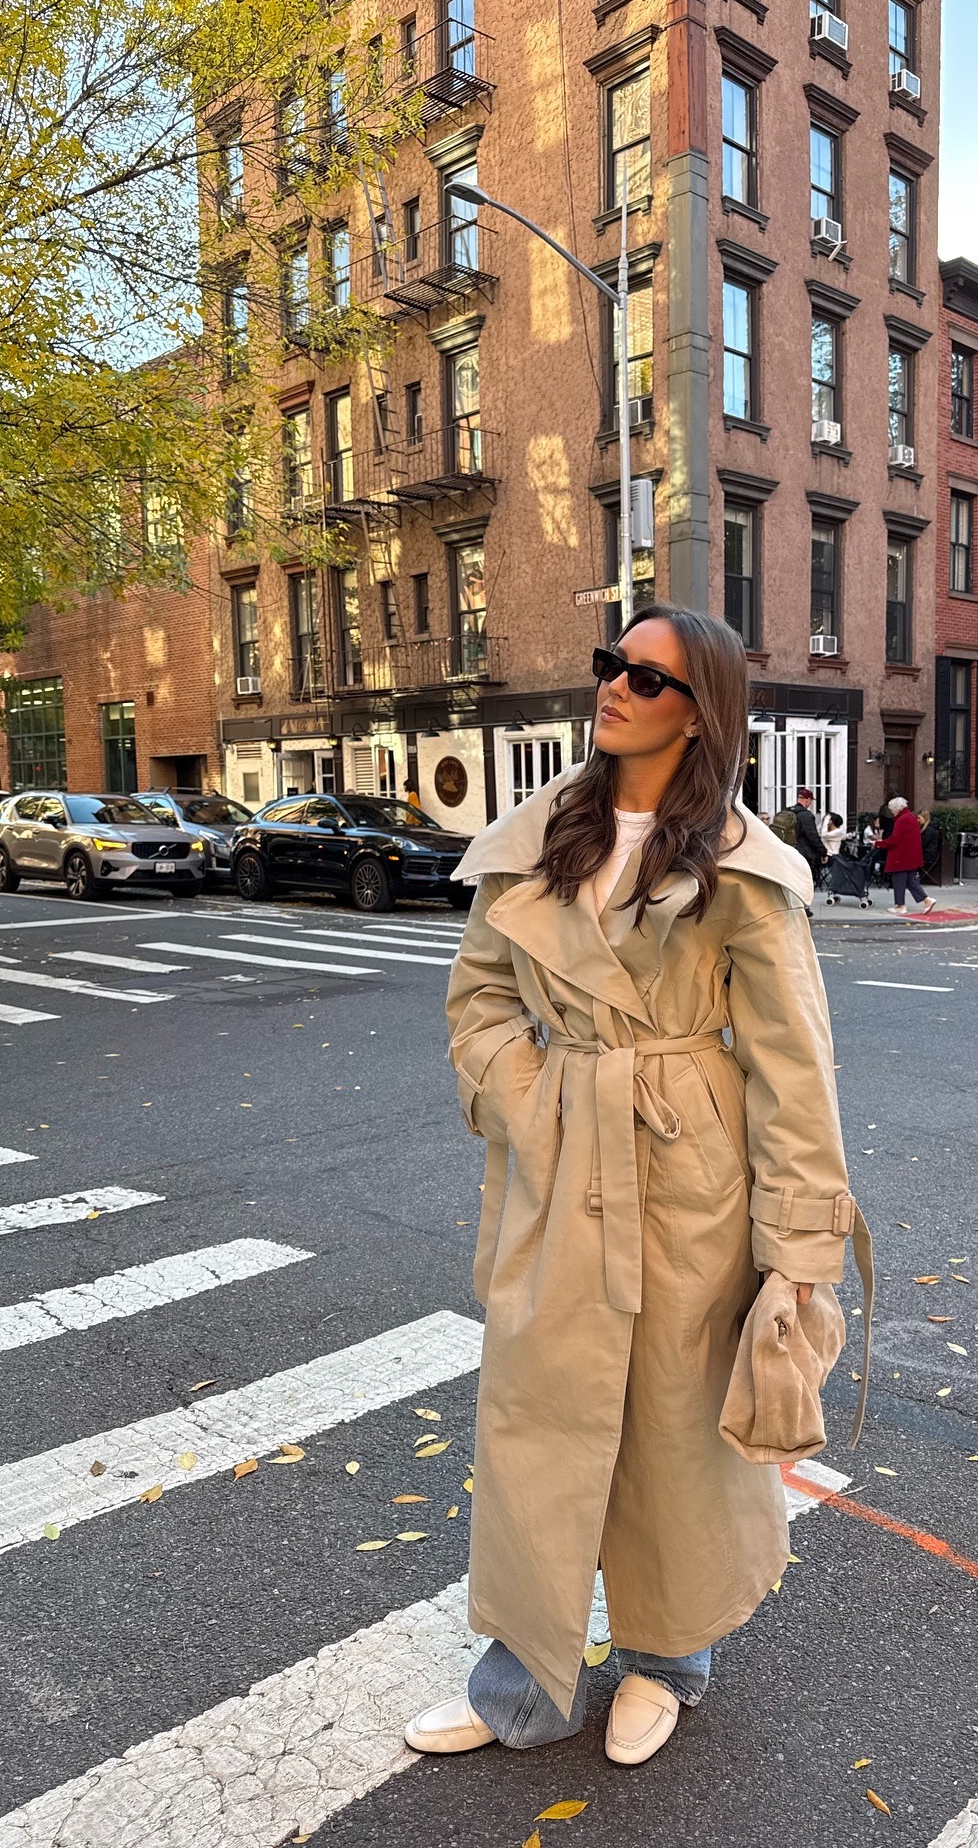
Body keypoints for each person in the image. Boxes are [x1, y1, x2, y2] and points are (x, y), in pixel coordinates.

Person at [408, 603, 866, 1768]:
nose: (615, 686)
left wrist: (801, 1253)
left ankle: (670, 1659)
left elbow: (792, 1069)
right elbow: (477, 1003)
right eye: (612, 665)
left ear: (700, 709)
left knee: (674, 1429)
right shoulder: (536, 838)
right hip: (559, 1171)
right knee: (536, 1423)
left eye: (647, 678)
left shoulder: (744, 871)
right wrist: (535, 1096)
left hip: (692, 1178)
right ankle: (521, 1682)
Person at [877, 795, 935, 914]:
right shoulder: (910, 817)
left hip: (901, 855)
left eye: (892, 809)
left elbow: (895, 839)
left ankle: (900, 905)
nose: (892, 812)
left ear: (897, 809)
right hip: (910, 855)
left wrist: (879, 844)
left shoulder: (902, 819)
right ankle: (927, 900)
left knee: (898, 879)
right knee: (910, 880)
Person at [790, 787, 828, 883]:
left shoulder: (788, 812)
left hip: (789, 851)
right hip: (804, 853)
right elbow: (813, 836)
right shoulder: (806, 815)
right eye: (810, 801)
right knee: (805, 882)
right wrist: (823, 852)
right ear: (807, 800)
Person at [919, 808, 943, 884]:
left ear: (925, 818)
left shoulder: (929, 830)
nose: (917, 820)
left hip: (928, 854)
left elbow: (923, 843)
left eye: (919, 818)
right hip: (925, 852)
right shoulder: (924, 829)